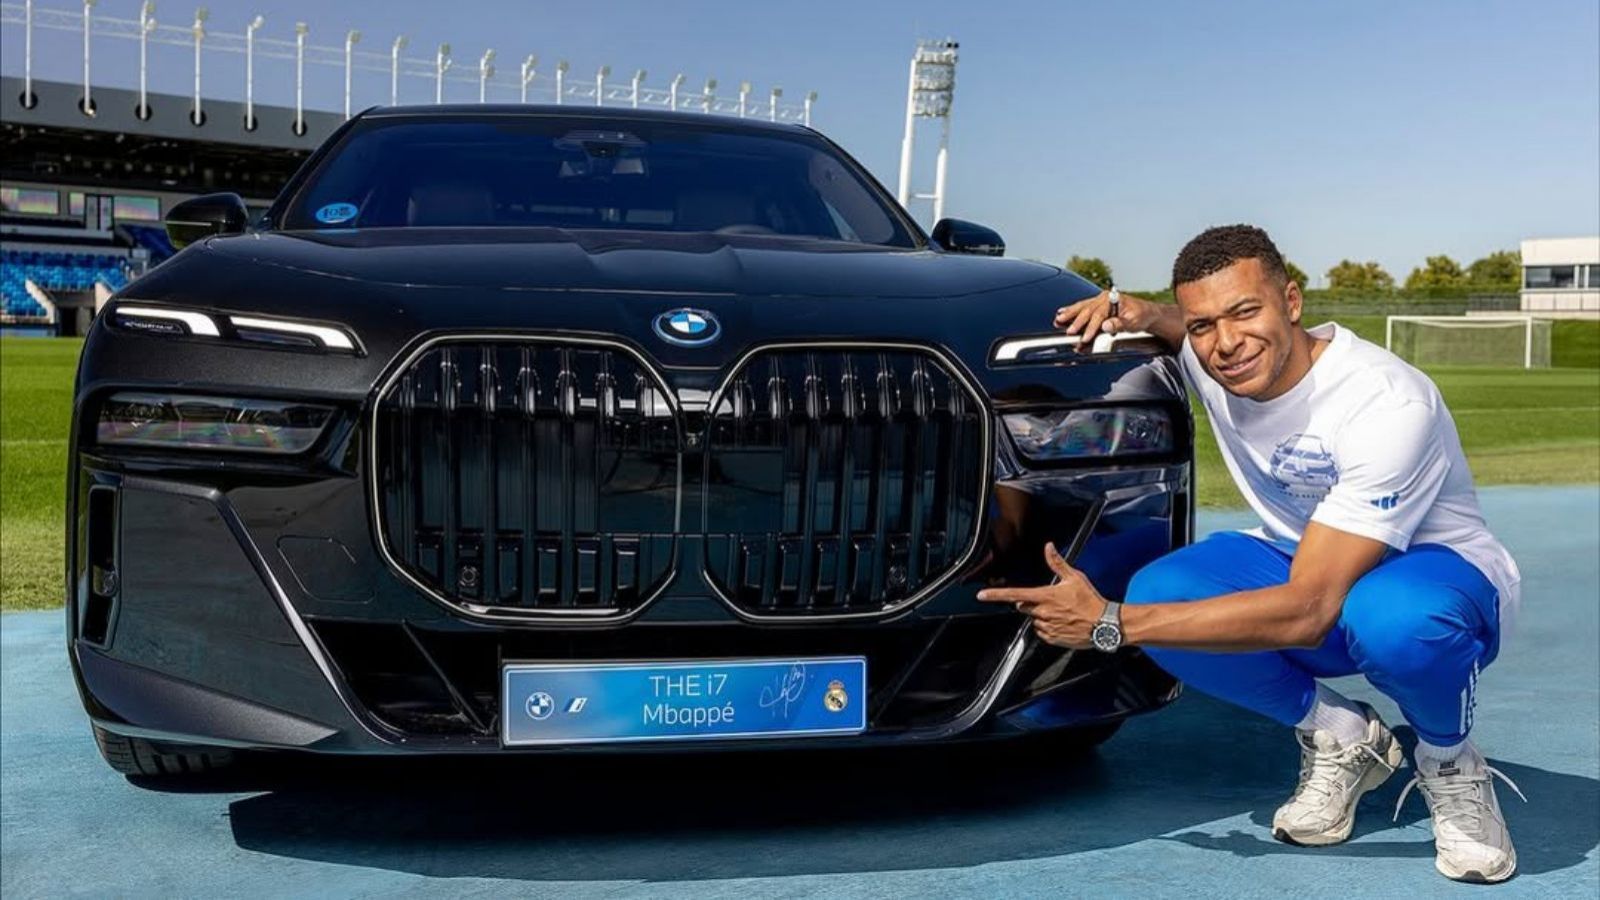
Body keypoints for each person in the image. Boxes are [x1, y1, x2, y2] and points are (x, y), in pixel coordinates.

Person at [978, 224, 1524, 884]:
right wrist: (1134, 309)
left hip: (1436, 577)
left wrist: (1110, 623)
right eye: (1205, 325)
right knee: (1162, 595)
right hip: (1307, 560)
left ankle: (1448, 760)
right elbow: (1173, 324)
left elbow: (1310, 611)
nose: (1227, 343)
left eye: (1245, 312)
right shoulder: (1214, 360)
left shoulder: (1385, 402)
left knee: (1394, 619)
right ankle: (1343, 735)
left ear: (1291, 302)